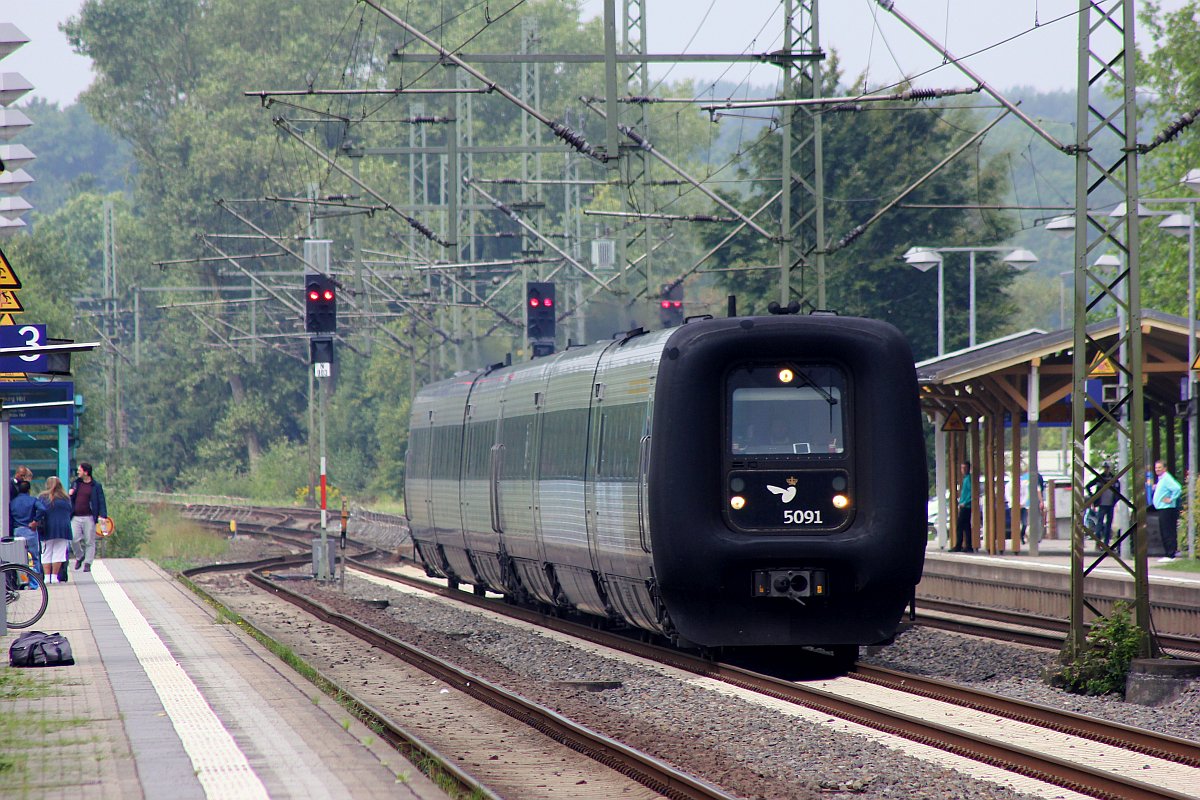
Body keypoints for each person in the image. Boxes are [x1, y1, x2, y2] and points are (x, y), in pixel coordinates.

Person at [68, 462, 107, 573]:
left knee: (90, 540)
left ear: (86, 472)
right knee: (74, 538)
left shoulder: (95, 486)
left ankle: (88, 563)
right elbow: (71, 497)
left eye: (80, 470)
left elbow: (101, 501)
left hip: (89, 516)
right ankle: (80, 556)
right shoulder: (76, 483)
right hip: (75, 516)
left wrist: (102, 515)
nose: (77, 472)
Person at [36, 476, 73, 584]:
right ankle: (54, 576)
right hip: (63, 528)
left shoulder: (43, 497)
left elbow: (39, 511)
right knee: (59, 552)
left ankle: (47, 577)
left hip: (47, 528)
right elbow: (71, 511)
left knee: (46, 552)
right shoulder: (66, 498)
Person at [10, 478, 44, 581]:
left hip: (17, 531)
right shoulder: (33, 500)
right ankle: (35, 583)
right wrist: (35, 520)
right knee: (34, 558)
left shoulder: (12, 502)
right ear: (29, 490)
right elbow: (43, 509)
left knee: (19, 560)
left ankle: (22, 581)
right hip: (30, 530)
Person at [1151, 459, 1181, 562]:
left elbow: (1177, 488)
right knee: (1166, 531)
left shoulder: (1166, 478)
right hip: (1163, 508)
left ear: (1164, 468)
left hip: (1167, 508)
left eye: (1159, 467)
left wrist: (1171, 499)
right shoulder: (1161, 479)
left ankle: (1170, 554)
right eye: (1156, 468)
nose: (1157, 469)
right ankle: (1170, 553)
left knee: (1167, 531)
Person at [1086, 462, 1120, 546]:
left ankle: (1106, 543)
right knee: (1099, 524)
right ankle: (1098, 543)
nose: (1106, 469)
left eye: (1107, 468)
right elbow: (1088, 486)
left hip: (1110, 505)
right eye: (1105, 468)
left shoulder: (1114, 478)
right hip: (1101, 505)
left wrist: (1115, 500)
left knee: (1108, 524)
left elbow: (1118, 491)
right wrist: (1093, 496)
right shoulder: (1099, 478)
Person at [952, 461, 974, 552]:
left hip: (966, 506)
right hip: (964, 505)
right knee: (966, 526)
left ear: (969, 469)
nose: (963, 470)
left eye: (965, 468)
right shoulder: (965, 479)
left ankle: (959, 545)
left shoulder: (968, 479)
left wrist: (965, 502)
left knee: (960, 526)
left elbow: (972, 492)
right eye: (962, 468)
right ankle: (968, 546)